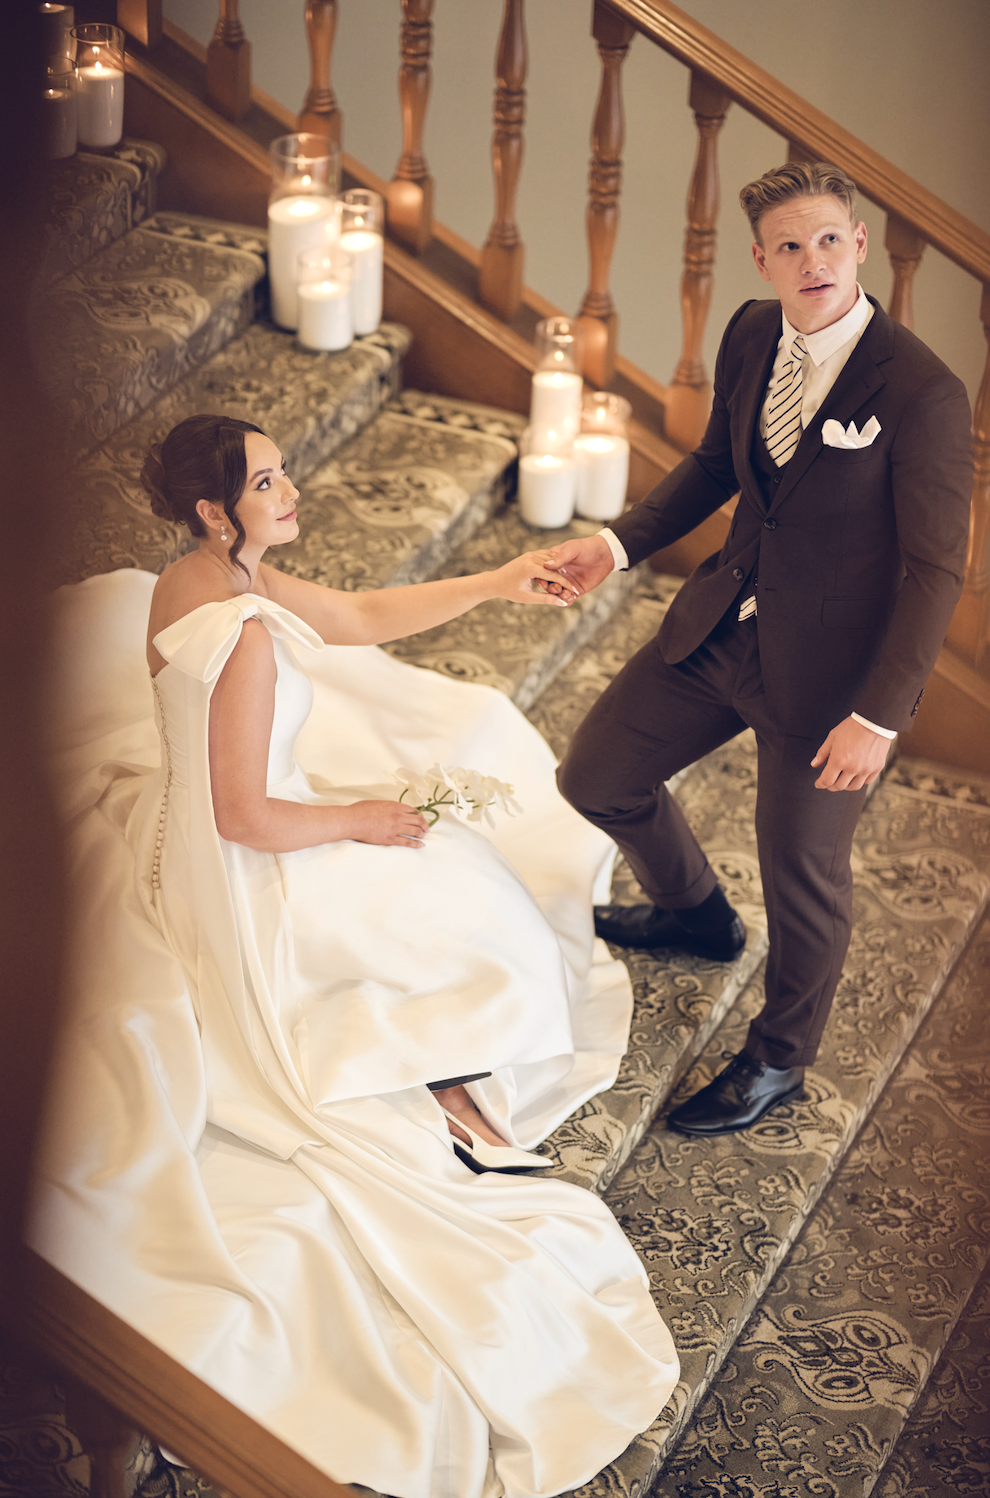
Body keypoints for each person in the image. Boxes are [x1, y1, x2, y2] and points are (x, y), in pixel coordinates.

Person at [35, 412, 679, 1498]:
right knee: (453, 895)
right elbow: (245, 814)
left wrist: (498, 580)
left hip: (175, 842)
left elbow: (361, 613)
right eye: (270, 479)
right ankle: (438, 1075)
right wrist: (364, 818)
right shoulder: (239, 632)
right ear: (213, 508)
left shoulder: (191, 581)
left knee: (449, 879)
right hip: (239, 872)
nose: (294, 491)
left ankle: (439, 1061)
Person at [545, 161, 973, 1138]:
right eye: (791, 246)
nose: (812, 260)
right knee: (598, 774)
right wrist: (614, 546)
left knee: (802, 876)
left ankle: (779, 1059)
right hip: (721, 626)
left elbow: (933, 572)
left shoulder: (923, 393)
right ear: (762, 259)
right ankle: (698, 914)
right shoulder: (747, 330)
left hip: (831, 686)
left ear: (860, 244)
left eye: (829, 239)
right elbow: (710, 466)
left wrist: (879, 716)